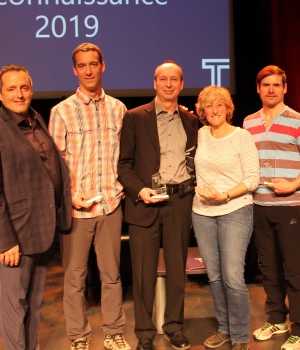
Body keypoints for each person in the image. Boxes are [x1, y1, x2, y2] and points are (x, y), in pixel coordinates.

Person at [0, 64, 72, 349]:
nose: (19, 94)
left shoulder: (36, 120)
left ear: (31, 89)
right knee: (15, 308)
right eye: (11, 89)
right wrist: (5, 242)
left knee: (34, 306)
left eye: (24, 88)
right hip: (13, 239)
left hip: (41, 232)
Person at [49, 42, 131, 350]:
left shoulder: (119, 109)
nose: (88, 70)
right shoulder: (62, 112)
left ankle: (113, 332)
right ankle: (79, 337)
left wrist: (119, 192)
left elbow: (125, 157)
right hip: (77, 209)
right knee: (74, 279)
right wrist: (69, 197)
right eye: (82, 66)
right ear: (75, 70)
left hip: (110, 204)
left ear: (102, 66)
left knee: (111, 275)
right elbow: (54, 165)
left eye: (93, 64)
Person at [117, 60, 199, 350]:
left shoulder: (191, 120)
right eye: (162, 79)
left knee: (178, 269)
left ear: (181, 84)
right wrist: (140, 190)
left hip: (179, 201)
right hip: (145, 203)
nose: (167, 84)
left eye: (173, 79)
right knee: (142, 272)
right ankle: (144, 334)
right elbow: (124, 165)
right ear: (154, 83)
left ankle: (174, 327)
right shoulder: (135, 117)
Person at [243, 65, 300, 350]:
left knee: (296, 270)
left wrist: (293, 184)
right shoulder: (249, 123)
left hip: (290, 205)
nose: (271, 90)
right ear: (258, 89)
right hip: (258, 205)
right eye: (266, 85)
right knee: (269, 268)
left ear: (285, 88)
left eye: (277, 85)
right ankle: (277, 319)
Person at [192, 85, 260, 350]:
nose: (214, 110)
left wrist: (226, 195)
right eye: (209, 106)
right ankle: (224, 328)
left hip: (235, 209)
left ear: (228, 108)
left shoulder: (241, 136)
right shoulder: (199, 135)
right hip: (202, 212)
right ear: (202, 111)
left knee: (233, 276)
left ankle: (240, 335)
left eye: (219, 105)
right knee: (215, 276)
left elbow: (253, 179)